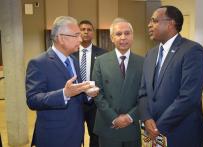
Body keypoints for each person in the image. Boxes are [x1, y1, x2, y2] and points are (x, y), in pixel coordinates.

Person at [138, 5, 203, 147]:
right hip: (152, 130)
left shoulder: (192, 51)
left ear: (171, 23)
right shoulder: (150, 54)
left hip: (182, 132)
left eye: (154, 20)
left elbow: (189, 98)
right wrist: (146, 118)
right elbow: (143, 91)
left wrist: (159, 126)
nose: (149, 24)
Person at [26, 16, 99, 147]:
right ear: (60, 38)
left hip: (76, 134)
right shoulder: (39, 63)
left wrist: (87, 93)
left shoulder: (73, 61)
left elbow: (77, 93)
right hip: (53, 136)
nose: (80, 39)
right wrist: (64, 94)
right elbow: (32, 100)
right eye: (76, 35)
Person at [92, 18, 143, 147]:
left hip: (132, 123)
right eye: (118, 34)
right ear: (112, 38)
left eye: (127, 33)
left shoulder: (143, 62)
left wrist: (129, 117)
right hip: (108, 124)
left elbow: (146, 94)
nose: (123, 37)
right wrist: (114, 118)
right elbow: (97, 93)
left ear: (132, 36)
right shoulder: (100, 61)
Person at [73, 20, 107, 147]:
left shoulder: (103, 54)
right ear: (78, 32)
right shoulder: (70, 53)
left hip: (95, 103)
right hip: (75, 102)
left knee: (96, 135)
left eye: (89, 29)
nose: (86, 32)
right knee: (76, 134)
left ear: (93, 33)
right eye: (82, 29)